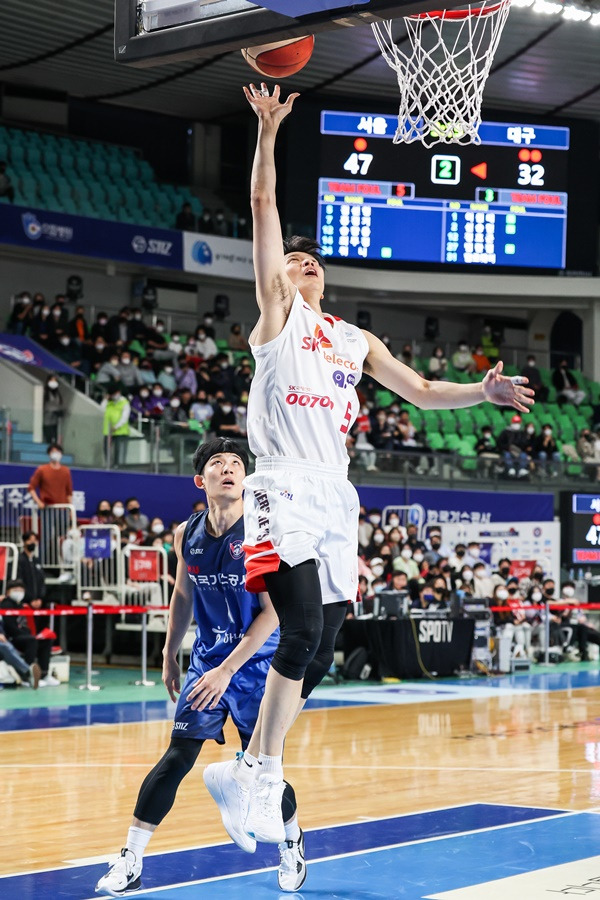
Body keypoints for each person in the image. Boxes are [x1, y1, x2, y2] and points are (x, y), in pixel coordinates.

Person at [200, 81, 534, 851]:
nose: (301, 262)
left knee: (324, 640)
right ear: (279, 281)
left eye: (311, 261)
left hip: (337, 495)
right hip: (282, 481)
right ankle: (259, 769)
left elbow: (419, 391)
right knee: (302, 621)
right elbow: (262, 209)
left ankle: (253, 762)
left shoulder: (352, 341)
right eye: (292, 259)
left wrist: (480, 392)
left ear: (327, 281)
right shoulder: (277, 322)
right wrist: (266, 133)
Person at [95, 439, 305, 896]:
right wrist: (171, 652)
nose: (228, 469)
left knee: (268, 772)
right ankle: (131, 858)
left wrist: (227, 671)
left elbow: (273, 615)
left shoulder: (259, 533)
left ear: (246, 479)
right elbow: (183, 595)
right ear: (201, 480)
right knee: (177, 755)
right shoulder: (184, 533)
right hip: (208, 660)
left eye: (235, 464)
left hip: (257, 666)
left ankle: (291, 842)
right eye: (217, 464)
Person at [0, 579, 57, 686]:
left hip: (21, 635)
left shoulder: (20, 604)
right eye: (15, 590)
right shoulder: (6, 604)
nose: (19, 592)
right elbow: (10, 627)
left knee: (46, 640)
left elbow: (24, 625)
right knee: (30, 641)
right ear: (8, 592)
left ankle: (43, 674)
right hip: (12, 637)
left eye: (21, 590)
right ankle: (28, 675)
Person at [103, 383, 131, 469]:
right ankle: (109, 466)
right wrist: (105, 400)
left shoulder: (124, 403)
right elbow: (101, 409)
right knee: (106, 451)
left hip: (121, 432)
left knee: (119, 453)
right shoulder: (109, 403)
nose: (114, 396)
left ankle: (118, 467)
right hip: (108, 432)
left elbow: (124, 417)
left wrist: (116, 426)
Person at [496, 414, 531, 478]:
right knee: (507, 455)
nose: (516, 424)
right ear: (512, 422)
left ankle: (522, 469)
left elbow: (525, 443)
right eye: (515, 422)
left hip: (518, 451)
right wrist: (507, 447)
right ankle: (510, 468)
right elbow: (499, 443)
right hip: (507, 450)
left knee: (523, 455)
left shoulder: (522, 433)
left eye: (517, 423)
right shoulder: (505, 432)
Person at [42, 375, 65, 445]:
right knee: (48, 437)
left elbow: (59, 403)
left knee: (55, 436)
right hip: (47, 418)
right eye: (52, 380)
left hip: (55, 418)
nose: (53, 382)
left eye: (55, 380)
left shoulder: (57, 392)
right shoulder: (45, 391)